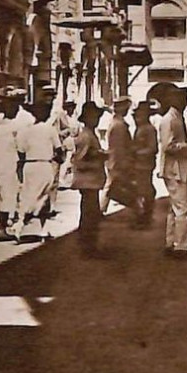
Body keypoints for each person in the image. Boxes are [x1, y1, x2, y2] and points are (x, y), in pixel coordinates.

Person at [12, 102, 62, 243]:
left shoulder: (25, 131)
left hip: (29, 165)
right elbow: (59, 150)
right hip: (44, 165)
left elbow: (20, 151)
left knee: (31, 196)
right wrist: (59, 159)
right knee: (40, 198)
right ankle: (20, 224)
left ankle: (41, 230)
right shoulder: (50, 130)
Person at [157, 85, 187, 257]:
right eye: (181, 98)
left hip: (178, 168)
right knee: (183, 207)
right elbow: (167, 146)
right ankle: (181, 246)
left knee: (175, 207)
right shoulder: (169, 120)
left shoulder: (177, 117)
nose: (184, 102)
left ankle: (171, 241)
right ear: (173, 99)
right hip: (174, 169)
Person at [71, 102, 107, 257]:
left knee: (90, 214)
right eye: (94, 116)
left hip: (92, 181)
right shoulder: (86, 135)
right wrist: (98, 156)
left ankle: (88, 244)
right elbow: (79, 160)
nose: (97, 119)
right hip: (88, 181)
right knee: (90, 215)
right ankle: (88, 246)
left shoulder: (90, 133)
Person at [0, 95, 21, 241]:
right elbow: (20, 146)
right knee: (8, 195)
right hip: (9, 164)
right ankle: (2, 227)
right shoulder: (15, 127)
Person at [101, 96, 135, 213]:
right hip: (117, 160)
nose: (127, 110)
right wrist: (123, 162)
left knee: (111, 185)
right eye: (126, 108)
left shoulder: (116, 122)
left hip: (114, 160)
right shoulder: (119, 125)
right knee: (112, 186)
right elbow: (118, 147)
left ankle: (101, 210)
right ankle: (100, 210)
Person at [131, 100, 158, 227]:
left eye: (139, 115)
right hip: (138, 164)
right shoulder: (140, 128)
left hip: (145, 165)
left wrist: (137, 152)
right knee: (140, 191)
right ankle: (142, 217)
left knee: (144, 191)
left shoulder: (149, 129)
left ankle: (145, 218)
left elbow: (153, 148)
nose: (137, 118)